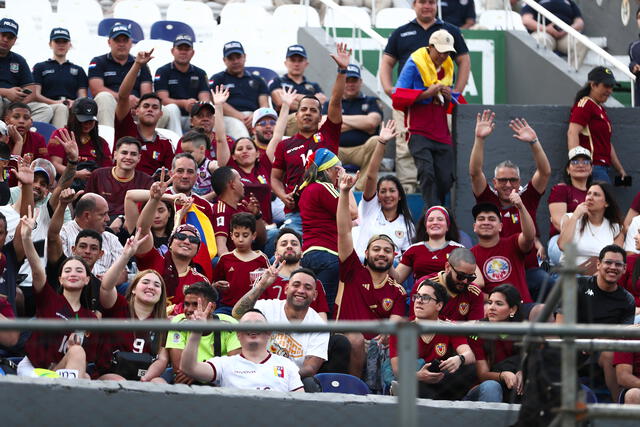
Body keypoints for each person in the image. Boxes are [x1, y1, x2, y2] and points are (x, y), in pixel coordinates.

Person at [380, 0, 470, 194]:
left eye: (431, 2)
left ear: (436, 5)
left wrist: (457, 92)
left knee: (444, 147)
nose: (427, 5)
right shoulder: (401, 32)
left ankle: (439, 193)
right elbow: (387, 61)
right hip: (409, 103)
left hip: (439, 104)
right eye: (422, 1)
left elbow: (463, 59)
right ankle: (408, 190)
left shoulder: (450, 30)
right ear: (414, 4)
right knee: (405, 146)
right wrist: (389, 89)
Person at [470, 109, 552, 300]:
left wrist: (534, 142)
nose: (508, 185)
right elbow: (475, 172)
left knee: (550, 283)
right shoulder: (486, 199)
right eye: (503, 180)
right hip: (495, 269)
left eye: (513, 180)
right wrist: (479, 139)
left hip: (528, 268)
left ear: (519, 181)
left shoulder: (528, 196)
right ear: (494, 182)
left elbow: (545, 172)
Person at [271, 42, 350, 235]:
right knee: (281, 240)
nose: (307, 113)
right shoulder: (284, 145)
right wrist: (282, 196)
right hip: (296, 212)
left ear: (320, 116)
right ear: (296, 116)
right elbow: (274, 178)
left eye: (313, 110)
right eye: (303, 109)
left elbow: (336, 100)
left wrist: (342, 70)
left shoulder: (328, 134)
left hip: (327, 210)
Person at [336, 171, 406, 377]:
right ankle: (355, 391)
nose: (382, 254)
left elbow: (393, 324)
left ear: (394, 256)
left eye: (387, 250)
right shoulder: (352, 270)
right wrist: (345, 192)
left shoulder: (397, 291)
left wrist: (383, 339)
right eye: (376, 249)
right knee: (356, 339)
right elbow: (344, 231)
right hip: (346, 341)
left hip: (379, 348)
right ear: (366, 253)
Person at [17, 207, 97, 379]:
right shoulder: (49, 298)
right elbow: (37, 271)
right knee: (79, 363)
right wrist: (26, 237)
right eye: (68, 271)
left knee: (81, 364)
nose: (73, 274)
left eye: (79, 271)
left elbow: (87, 356)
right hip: (34, 368)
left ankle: (64, 401)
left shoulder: (90, 317)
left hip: (60, 370)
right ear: (60, 279)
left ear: (87, 279)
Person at [232, 262, 334, 388]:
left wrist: (281, 377)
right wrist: (261, 286)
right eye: (296, 285)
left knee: (310, 384)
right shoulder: (267, 307)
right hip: (255, 371)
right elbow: (237, 314)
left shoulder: (319, 326)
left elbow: (310, 367)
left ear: (315, 295)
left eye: (308, 287)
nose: (301, 290)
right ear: (286, 289)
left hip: (291, 379)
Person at [556, 245, 635, 400]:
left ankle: (616, 408)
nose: (613, 267)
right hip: (571, 345)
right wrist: (581, 342)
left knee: (611, 354)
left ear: (624, 269)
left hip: (601, 352)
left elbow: (624, 337)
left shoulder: (627, 300)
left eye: (618, 264)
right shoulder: (578, 285)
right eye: (608, 262)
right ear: (598, 264)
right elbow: (560, 324)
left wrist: (598, 342)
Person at [392, 29, 460, 206]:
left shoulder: (448, 67)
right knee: (427, 173)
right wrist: (426, 94)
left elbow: (450, 104)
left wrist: (447, 96)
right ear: (430, 47)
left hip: (441, 132)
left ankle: (435, 212)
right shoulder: (414, 64)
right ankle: (433, 212)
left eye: (448, 52)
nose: (444, 56)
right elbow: (397, 96)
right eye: (441, 51)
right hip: (418, 130)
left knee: (446, 178)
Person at [98, 232, 170, 382]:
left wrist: (146, 379)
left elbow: (162, 359)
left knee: (160, 382)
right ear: (133, 289)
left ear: (161, 295)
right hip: (111, 373)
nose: (151, 287)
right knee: (120, 383)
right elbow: (105, 286)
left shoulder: (162, 322)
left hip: (144, 376)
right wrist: (125, 256)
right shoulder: (118, 306)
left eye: (157, 285)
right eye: (145, 282)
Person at [180, 307, 304, 392]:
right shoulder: (224, 364)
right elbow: (188, 368)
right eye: (247, 324)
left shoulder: (287, 365)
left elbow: (301, 403)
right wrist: (196, 332)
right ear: (238, 334)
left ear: (268, 332)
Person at [389, 278, 475, 400]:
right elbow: (398, 371)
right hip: (415, 380)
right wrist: (419, 376)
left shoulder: (449, 327)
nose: (419, 301)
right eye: (417, 296)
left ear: (439, 305)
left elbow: (469, 354)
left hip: (440, 382)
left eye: (425, 298)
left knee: (470, 368)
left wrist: (459, 359)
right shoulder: (401, 330)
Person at [133, 178, 211, 306]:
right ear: (170, 243)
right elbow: (142, 230)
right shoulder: (155, 260)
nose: (186, 241)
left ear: (197, 250)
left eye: (193, 239)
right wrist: (154, 199)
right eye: (180, 236)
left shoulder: (200, 281)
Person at [298, 148, 356, 312]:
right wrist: (346, 187)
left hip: (309, 255)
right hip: (327, 254)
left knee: (312, 310)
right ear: (332, 170)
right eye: (339, 168)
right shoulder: (323, 187)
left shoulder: (307, 190)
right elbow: (352, 212)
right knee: (326, 310)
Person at [355, 120, 414, 263]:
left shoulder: (407, 224)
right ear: (377, 195)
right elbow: (370, 176)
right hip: (363, 267)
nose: (387, 195)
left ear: (399, 196)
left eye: (392, 191)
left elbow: (406, 260)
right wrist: (381, 142)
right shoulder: (370, 209)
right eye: (383, 191)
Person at [470, 202, 538, 314]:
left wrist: (521, 206)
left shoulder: (513, 242)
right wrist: (500, 300)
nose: (486, 222)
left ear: (500, 226)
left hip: (521, 305)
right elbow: (472, 291)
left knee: (541, 310)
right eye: (481, 219)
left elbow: (529, 236)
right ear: (474, 227)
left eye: (491, 219)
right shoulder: (469, 255)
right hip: (492, 309)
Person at [322, 64, 383, 191]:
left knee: (377, 141)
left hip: (361, 150)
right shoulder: (331, 103)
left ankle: (362, 188)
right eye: (347, 80)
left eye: (354, 80)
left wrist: (338, 120)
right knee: (321, 141)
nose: (350, 84)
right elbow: (322, 124)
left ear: (360, 82)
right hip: (337, 150)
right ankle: (332, 187)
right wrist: (361, 123)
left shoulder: (371, 101)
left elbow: (372, 122)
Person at [166, 282, 241, 385]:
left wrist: (195, 372)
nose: (189, 310)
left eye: (196, 304)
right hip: (188, 384)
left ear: (212, 307)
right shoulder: (179, 322)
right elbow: (179, 368)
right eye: (186, 304)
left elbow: (234, 367)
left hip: (220, 385)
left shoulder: (230, 325)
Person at [114, 49, 173, 176]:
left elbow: (169, 176)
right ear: (136, 111)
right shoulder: (126, 128)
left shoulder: (165, 144)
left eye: (155, 107)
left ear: (161, 114)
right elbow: (123, 96)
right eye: (146, 106)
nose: (150, 109)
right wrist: (137, 65)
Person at [47, 188, 104, 314]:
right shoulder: (60, 267)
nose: (87, 251)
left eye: (93, 248)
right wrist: (62, 205)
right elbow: (52, 236)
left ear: (101, 254)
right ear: (73, 249)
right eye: (83, 246)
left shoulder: (98, 286)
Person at [465, 284, 524, 403]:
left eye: (499, 304)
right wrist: (503, 375)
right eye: (490, 302)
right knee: (491, 386)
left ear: (513, 309)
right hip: (482, 391)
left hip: (514, 390)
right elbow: (482, 375)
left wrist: (524, 372)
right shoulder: (478, 330)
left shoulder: (523, 331)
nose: (491, 307)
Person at [567, 66, 626, 183]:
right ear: (593, 85)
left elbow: (607, 143)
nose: (610, 90)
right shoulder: (585, 104)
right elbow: (572, 133)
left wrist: (620, 169)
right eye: (606, 86)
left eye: (611, 87)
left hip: (604, 168)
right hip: (593, 168)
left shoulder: (600, 109)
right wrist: (578, 164)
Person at [88, 24, 152, 126]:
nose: (121, 44)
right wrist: (125, 100)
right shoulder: (98, 61)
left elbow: (147, 95)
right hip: (111, 106)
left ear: (131, 42)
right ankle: (108, 139)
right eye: (117, 40)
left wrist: (140, 106)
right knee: (103, 97)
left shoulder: (141, 64)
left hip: (135, 109)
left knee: (165, 109)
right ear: (109, 42)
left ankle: (154, 141)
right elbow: (96, 90)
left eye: (125, 40)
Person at [262, 228, 330, 319]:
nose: (289, 246)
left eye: (294, 244)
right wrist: (261, 285)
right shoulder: (264, 281)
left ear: (302, 253)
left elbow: (322, 321)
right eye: (284, 244)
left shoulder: (314, 283)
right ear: (276, 254)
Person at [395, 205, 468, 286]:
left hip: (448, 297)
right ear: (426, 226)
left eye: (440, 219)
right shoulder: (413, 249)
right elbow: (397, 279)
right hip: (420, 297)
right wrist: (388, 261)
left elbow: (475, 280)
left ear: (448, 226)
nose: (435, 222)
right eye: (430, 220)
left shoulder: (459, 249)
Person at [209, 41, 269, 139]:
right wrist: (242, 117)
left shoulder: (258, 80)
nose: (235, 61)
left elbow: (264, 104)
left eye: (238, 57)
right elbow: (217, 103)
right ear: (224, 60)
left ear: (244, 57)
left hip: (254, 116)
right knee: (240, 130)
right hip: (228, 117)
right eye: (231, 58)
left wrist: (256, 116)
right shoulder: (217, 79)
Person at [212, 213, 269, 314]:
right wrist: (217, 285)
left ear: (254, 235)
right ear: (231, 236)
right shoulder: (225, 259)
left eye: (245, 235)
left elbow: (268, 286)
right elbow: (215, 284)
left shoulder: (262, 259)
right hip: (228, 308)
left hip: (255, 308)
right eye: (237, 235)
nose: (241, 239)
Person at [154, 34, 211, 135]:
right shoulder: (163, 71)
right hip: (170, 116)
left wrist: (196, 106)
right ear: (173, 51)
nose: (183, 52)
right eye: (180, 48)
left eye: (187, 49)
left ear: (192, 53)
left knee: (210, 109)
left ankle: (208, 144)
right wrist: (184, 103)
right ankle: (177, 146)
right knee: (172, 108)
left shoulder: (200, 73)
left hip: (193, 115)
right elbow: (162, 100)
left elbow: (205, 99)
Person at [32, 27, 88, 128]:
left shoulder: (78, 69)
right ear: (50, 44)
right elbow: (36, 94)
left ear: (70, 45)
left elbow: (82, 96)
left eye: (64, 41)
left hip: (72, 108)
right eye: (57, 41)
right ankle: (59, 142)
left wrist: (74, 103)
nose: (61, 44)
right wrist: (55, 102)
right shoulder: (40, 67)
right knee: (61, 108)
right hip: (48, 106)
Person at [558, 182, 623, 267]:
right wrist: (575, 216)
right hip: (571, 275)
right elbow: (563, 246)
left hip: (598, 276)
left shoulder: (614, 227)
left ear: (606, 203)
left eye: (596, 195)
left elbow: (616, 257)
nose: (590, 198)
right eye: (588, 193)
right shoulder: (570, 218)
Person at [85, 136, 154, 218]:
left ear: (139, 158)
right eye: (124, 153)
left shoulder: (146, 181)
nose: (128, 157)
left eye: (133, 154)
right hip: (100, 224)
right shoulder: (98, 175)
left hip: (130, 225)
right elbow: (87, 206)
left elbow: (147, 211)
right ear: (115, 155)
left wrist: (122, 219)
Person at [47, 98, 112, 183]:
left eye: (91, 121)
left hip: (92, 184)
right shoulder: (61, 134)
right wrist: (76, 174)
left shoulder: (101, 143)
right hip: (65, 182)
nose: (87, 124)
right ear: (73, 118)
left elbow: (107, 171)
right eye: (83, 120)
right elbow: (54, 164)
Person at [0, 18, 52, 122]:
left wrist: (18, 106)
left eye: (10, 37)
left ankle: (20, 133)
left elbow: (31, 91)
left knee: (45, 109)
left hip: (13, 104)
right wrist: (6, 92)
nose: (6, 39)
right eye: (3, 35)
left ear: (14, 40)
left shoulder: (19, 60)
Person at [547, 146, 592, 266]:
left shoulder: (596, 193)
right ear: (568, 169)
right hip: (560, 240)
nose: (581, 165)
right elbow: (558, 222)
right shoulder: (561, 189)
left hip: (591, 238)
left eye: (586, 162)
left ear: (591, 169)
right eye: (575, 162)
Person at [60, 192, 124, 277]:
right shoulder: (63, 234)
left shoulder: (111, 238)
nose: (108, 219)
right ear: (87, 215)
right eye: (102, 214)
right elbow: (59, 269)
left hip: (107, 286)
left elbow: (123, 273)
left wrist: (106, 280)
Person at [413, 247, 484, 322]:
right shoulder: (424, 286)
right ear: (447, 267)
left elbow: (475, 328)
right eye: (461, 276)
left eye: (470, 278)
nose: (465, 281)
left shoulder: (474, 292)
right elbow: (415, 322)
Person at [269, 44, 326, 135]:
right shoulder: (277, 81)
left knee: (325, 120)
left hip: (310, 120)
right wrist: (312, 101)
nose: (296, 64)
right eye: (293, 60)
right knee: (302, 117)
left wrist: (290, 98)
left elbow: (322, 101)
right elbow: (280, 101)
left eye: (300, 60)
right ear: (286, 63)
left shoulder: (314, 86)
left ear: (306, 63)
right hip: (286, 121)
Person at [521, 0, 587, 67]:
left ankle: (571, 74)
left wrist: (567, 29)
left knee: (582, 41)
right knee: (540, 40)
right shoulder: (535, 1)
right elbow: (526, 20)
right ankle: (544, 73)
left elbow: (579, 22)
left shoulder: (569, 2)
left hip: (565, 35)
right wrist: (546, 29)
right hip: (543, 33)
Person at [169, 130, 216, 200]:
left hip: (207, 206)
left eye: (189, 152)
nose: (186, 155)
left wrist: (203, 199)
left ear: (202, 149)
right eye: (183, 151)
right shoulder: (182, 166)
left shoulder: (211, 166)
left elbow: (225, 184)